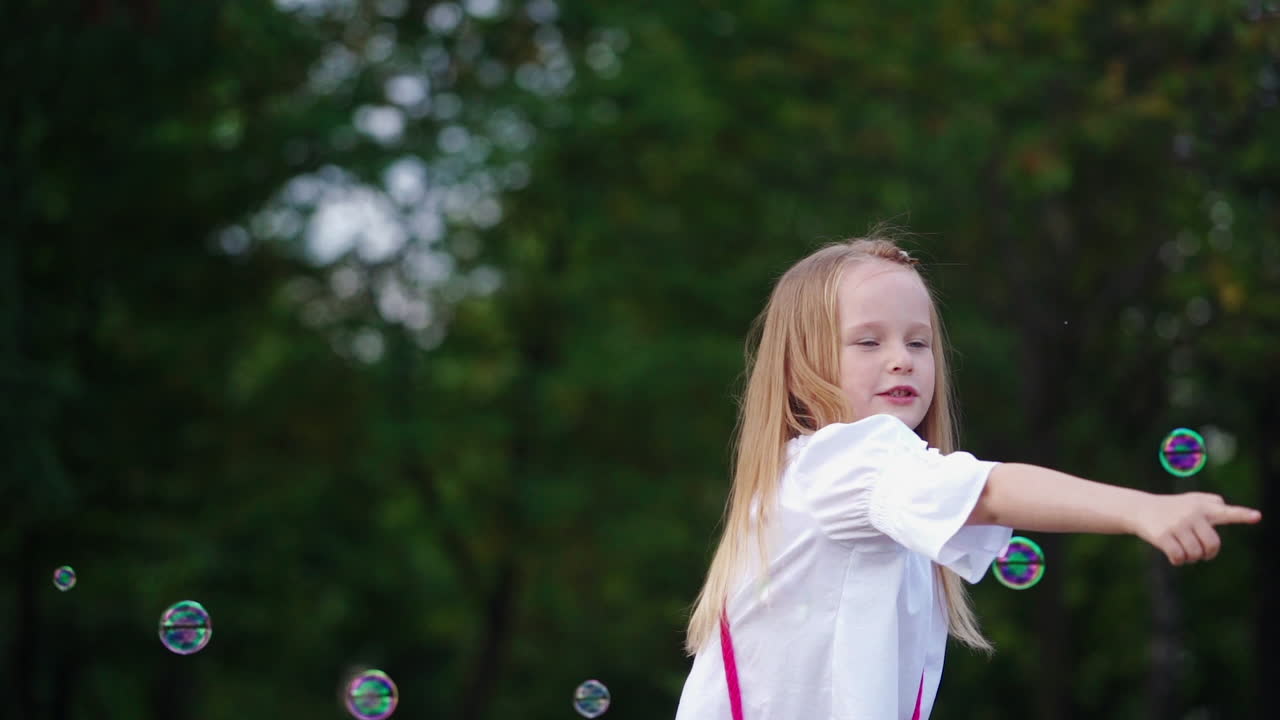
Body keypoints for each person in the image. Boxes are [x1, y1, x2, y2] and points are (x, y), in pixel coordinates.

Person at [673, 234, 1262, 720]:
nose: (901, 358)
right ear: (802, 369)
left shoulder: (832, 478)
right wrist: (1143, 509)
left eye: (919, 342)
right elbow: (996, 492)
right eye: (868, 341)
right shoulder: (847, 461)